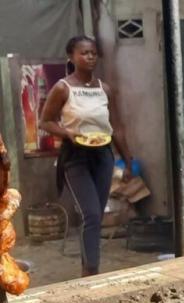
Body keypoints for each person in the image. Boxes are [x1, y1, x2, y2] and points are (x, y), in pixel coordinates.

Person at [40, 35, 133, 277]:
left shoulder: (105, 89)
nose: (90, 57)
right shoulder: (63, 88)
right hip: (75, 157)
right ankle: (90, 271)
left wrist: (128, 161)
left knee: (96, 215)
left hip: (103, 156)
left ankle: (89, 266)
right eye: (84, 53)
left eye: (93, 53)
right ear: (71, 57)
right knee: (91, 214)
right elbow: (45, 122)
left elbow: (117, 127)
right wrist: (67, 133)